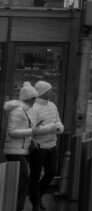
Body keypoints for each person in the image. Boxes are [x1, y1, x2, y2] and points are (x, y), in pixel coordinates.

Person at [3, 82, 39, 211]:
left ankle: (16, 205)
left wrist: (32, 138)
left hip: (22, 150)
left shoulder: (26, 110)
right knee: (24, 178)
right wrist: (31, 132)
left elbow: (24, 129)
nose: (35, 100)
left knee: (21, 180)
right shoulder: (18, 111)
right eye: (33, 98)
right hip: (14, 150)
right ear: (27, 98)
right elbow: (12, 132)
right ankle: (17, 207)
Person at [28, 80, 63, 210]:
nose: (52, 92)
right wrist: (50, 128)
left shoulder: (53, 106)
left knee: (51, 172)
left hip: (52, 145)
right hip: (38, 147)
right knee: (35, 174)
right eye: (50, 90)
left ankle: (37, 195)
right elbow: (31, 128)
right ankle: (36, 201)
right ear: (42, 92)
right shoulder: (34, 108)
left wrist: (59, 127)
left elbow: (58, 121)